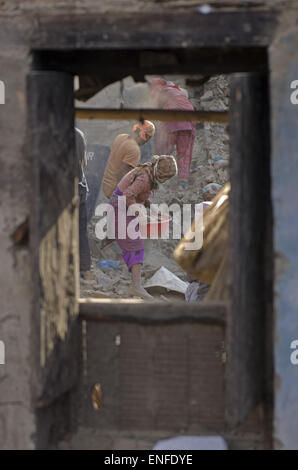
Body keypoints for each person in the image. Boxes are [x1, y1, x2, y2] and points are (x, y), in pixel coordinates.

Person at [107, 155, 177, 300]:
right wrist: (140, 214)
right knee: (136, 243)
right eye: (165, 178)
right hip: (119, 208)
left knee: (135, 243)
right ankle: (136, 287)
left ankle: (135, 281)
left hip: (124, 207)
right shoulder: (144, 178)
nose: (164, 181)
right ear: (160, 173)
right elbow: (127, 195)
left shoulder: (148, 172)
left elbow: (138, 194)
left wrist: (152, 208)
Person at [148, 78, 196, 189]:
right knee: (184, 152)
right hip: (189, 120)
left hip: (173, 118)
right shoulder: (177, 91)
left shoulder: (159, 89)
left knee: (163, 149)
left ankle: (157, 179)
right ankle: (182, 182)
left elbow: (153, 107)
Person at [102, 121, 155, 199]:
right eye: (148, 138)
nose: (147, 142)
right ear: (144, 135)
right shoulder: (134, 150)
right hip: (115, 190)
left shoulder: (120, 137)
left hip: (106, 184)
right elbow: (122, 173)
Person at [75, 127, 93, 280]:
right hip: (80, 188)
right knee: (81, 231)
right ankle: (85, 269)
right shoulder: (80, 134)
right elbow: (85, 163)